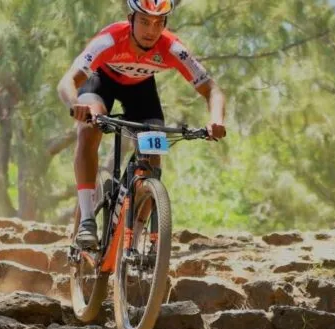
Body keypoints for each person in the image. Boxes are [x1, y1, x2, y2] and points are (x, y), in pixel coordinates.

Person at [57, 0, 227, 249]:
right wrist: (75, 104)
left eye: (158, 23)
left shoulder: (173, 48)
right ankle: (87, 220)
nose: (151, 30)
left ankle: (134, 240)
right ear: (131, 19)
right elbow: (67, 81)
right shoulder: (109, 40)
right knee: (90, 128)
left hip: (141, 90)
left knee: (153, 157)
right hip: (101, 81)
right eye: (145, 22)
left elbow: (212, 89)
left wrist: (216, 119)